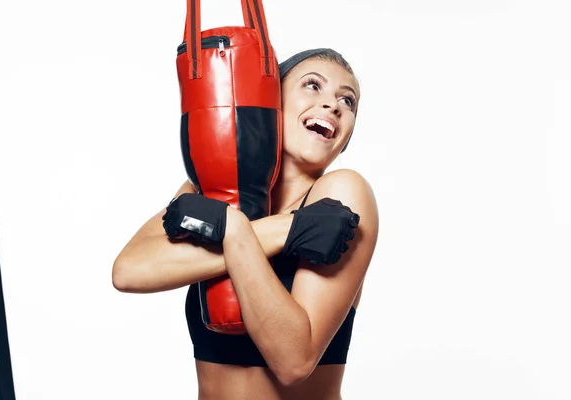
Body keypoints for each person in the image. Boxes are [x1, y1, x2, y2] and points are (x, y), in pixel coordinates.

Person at [112, 48, 379, 400]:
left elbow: (293, 362)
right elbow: (128, 271)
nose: (333, 105)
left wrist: (232, 231)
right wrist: (281, 229)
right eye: (312, 86)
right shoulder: (212, 187)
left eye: (348, 100)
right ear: (271, 104)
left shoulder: (341, 194)